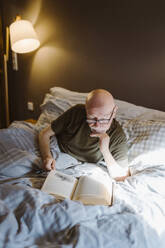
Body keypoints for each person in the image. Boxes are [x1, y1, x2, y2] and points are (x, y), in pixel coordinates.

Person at [39, 89, 130, 181]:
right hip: (59, 151)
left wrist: (105, 150)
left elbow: (121, 176)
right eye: (91, 118)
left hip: (85, 169)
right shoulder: (76, 112)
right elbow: (44, 134)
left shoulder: (117, 135)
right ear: (85, 109)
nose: (97, 125)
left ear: (114, 112)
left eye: (104, 119)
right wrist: (47, 156)